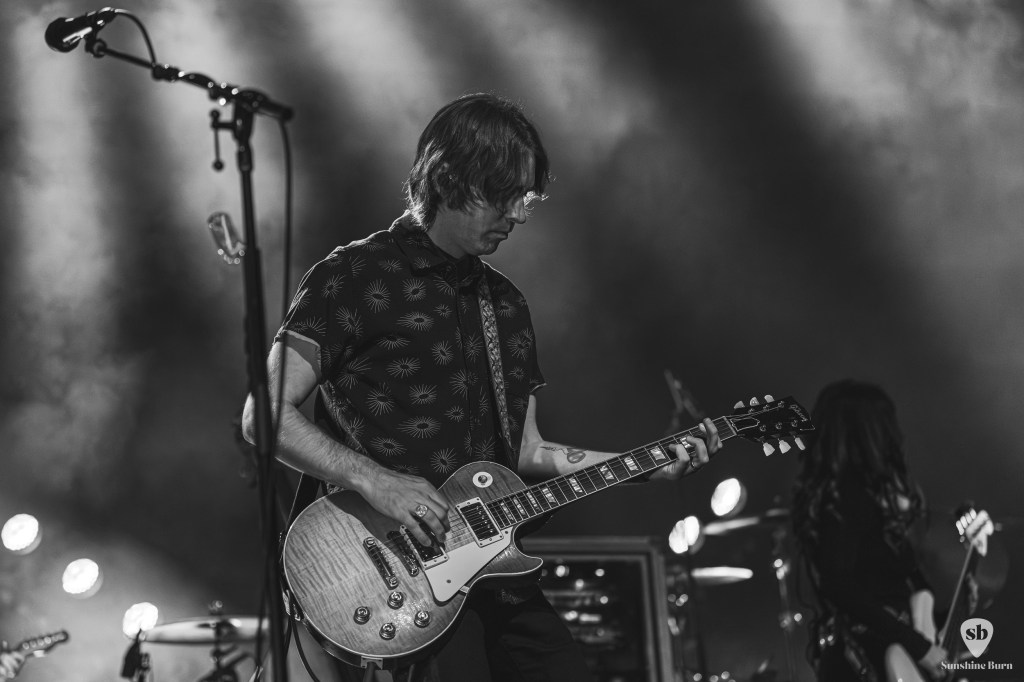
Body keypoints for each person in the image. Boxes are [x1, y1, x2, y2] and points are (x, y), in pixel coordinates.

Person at [241, 92, 721, 682]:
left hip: (495, 568)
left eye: (527, 198)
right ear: (446, 178)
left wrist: (642, 464)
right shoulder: (352, 276)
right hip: (398, 570)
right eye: (502, 195)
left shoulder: (507, 305)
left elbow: (526, 453)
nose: (518, 214)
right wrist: (377, 482)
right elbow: (263, 416)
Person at [791, 380, 947, 681]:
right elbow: (838, 584)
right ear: (870, 433)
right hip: (868, 660)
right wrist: (918, 646)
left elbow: (901, 585)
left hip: (889, 651)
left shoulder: (861, 496)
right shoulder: (845, 497)